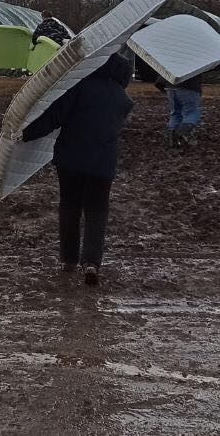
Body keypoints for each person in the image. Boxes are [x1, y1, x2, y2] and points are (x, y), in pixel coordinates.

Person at [22, 52, 134, 286]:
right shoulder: (123, 99)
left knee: (69, 204)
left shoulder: (79, 87)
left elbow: (55, 117)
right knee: (97, 210)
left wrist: (25, 133)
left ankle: (68, 259)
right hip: (103, 162)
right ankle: (91, 262)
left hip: (70, 158)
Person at [153, 72, 203, 148]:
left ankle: (172, 139)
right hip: (189, 84)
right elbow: (211, 66)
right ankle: (183, 131)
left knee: (175, 113)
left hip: (170, 84)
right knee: (191, 112)